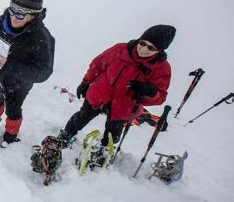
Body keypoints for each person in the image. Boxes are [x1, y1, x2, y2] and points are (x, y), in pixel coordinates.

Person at [57, 25, 176, 161]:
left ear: (159, 50)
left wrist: (150, 91)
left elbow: (160, 97)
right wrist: (85, 82)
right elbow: (98, 64)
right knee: (81, 117)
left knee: (112, 133)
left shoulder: (162, 68)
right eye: (142, 43)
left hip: (124, 106)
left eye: (151, 48)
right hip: (99, 95)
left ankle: (103, 151)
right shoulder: (120, 49)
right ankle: (66, 135)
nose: (144, 49)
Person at [0, 0, 55, 147]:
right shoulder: (1, 22)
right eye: (12, 11)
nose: (13, 17)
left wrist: (11, 67)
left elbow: (44, 72)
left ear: (32, 15)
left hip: (19, 85)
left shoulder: (41, 37)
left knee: (13, 109)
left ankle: (11, 135)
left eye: (20, 14)